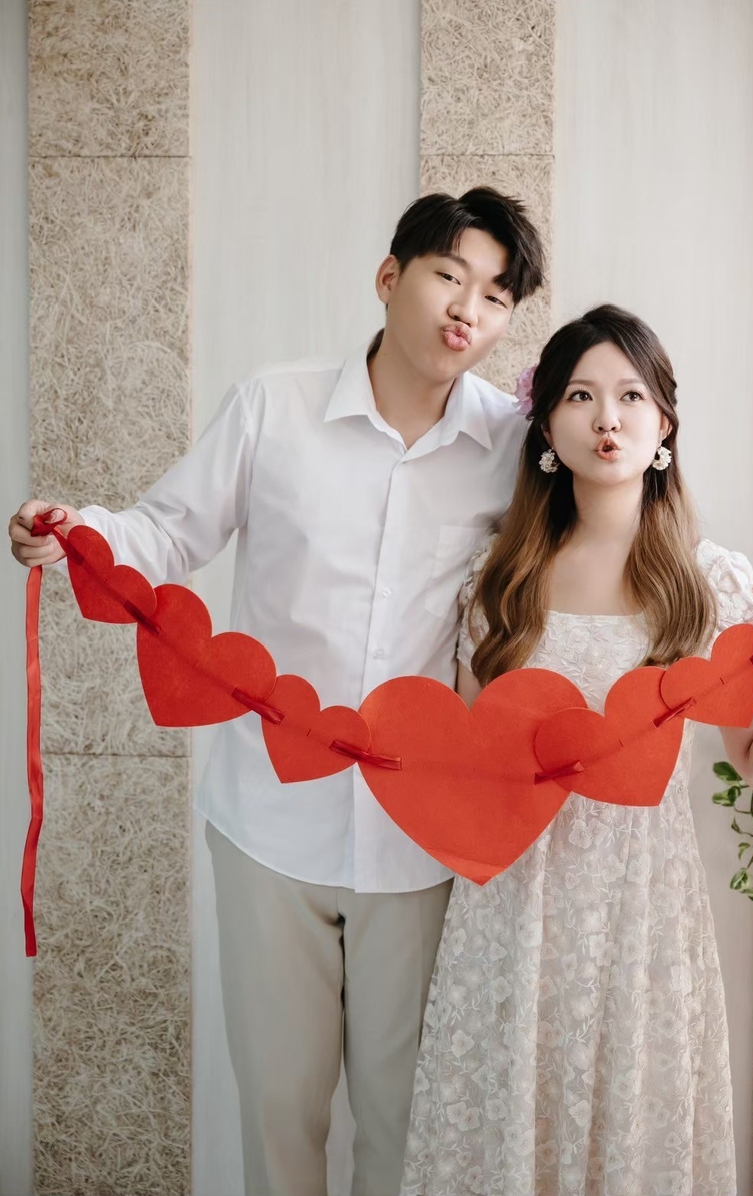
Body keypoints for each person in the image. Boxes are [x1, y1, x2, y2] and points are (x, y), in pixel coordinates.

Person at [9, 188, 547, 1196]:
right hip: (267, 822)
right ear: (388, 277)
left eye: (494, 294)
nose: (465, 308)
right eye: (447, 276)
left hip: (417, 840)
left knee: (404, 1122)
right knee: (278, 1112)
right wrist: (75, 527)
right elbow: (166, 533)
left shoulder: (514, 448)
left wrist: (743, 601)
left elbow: (615, 528)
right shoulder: (273, 406)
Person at [400, 304, 753, 1196]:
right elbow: (467, 761)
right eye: (580, 396)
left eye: (630, 396)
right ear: (546, 429)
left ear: (664, 426)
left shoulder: (712, 582)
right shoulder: (498, 579)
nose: (607, 418)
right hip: (514, 903)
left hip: (643, 907)